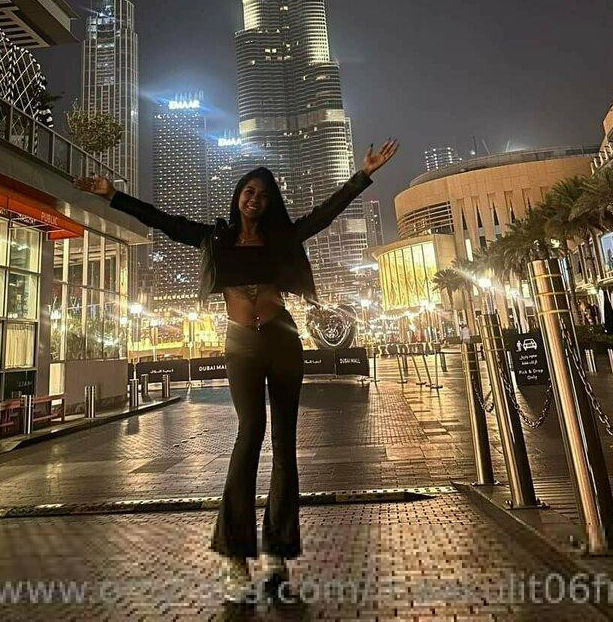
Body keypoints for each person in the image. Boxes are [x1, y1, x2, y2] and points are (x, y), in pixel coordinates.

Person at [74, 138, 398, 603]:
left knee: (284, 445)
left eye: (263, 195)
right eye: (249, 191)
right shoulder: (216, 238)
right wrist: (113, 195)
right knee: (250, 435)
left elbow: (324, 215)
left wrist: (363, 174)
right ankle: (235, 556)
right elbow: (163, 221)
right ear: (237, 195)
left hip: (283, 341)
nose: (255, 199)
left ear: (269, 203)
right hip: (241, 345)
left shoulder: (281, 237)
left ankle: (277, 555)